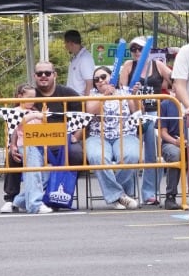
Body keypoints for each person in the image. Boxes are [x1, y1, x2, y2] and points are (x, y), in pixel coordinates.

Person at [12, 61, 85, 214]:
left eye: (47, 73)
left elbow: (84, 116)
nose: (43, 76)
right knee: (19, 159)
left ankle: (23, 200)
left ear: (54, 75)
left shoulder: (68, 92)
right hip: (29, 143)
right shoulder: (29, 94)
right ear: (34, 76)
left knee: (74, 154)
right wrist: (11, 145)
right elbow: (15, 123)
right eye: (39, 73)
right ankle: (31, 203)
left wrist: (76, 136)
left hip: (58, 140)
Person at [82, 65, 143, 209]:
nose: (100, 81)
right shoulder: (92, 95)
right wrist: (105, 96)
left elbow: (137, 112)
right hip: (98, 136)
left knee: (131, 156)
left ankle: (116, 194)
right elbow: (90, 111)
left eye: (103, 77)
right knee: (98, 157)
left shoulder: (125, 91)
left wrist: (134, 96)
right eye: (96, 79)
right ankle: (120, 196)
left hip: (125, 134)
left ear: (111, 77)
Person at [0, 83, 38, 213]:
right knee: (12, 158)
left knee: (40, 168)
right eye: (29, 97)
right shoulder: (14, 112)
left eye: (34, 98)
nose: (31, 101)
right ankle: (10, 199)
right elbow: (14, 129)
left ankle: (24, 199)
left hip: (36, 145)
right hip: (20, 145)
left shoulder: (36, 111)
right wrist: (12, 145)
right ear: (19, 96)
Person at [63, 29, 93, 95]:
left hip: (79, 99)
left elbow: (89, 82)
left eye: (65, 43)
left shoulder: (85, 59)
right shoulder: (75, 57)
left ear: (71, 43)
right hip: (72, 98)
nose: (65, 46)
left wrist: (86, 102)